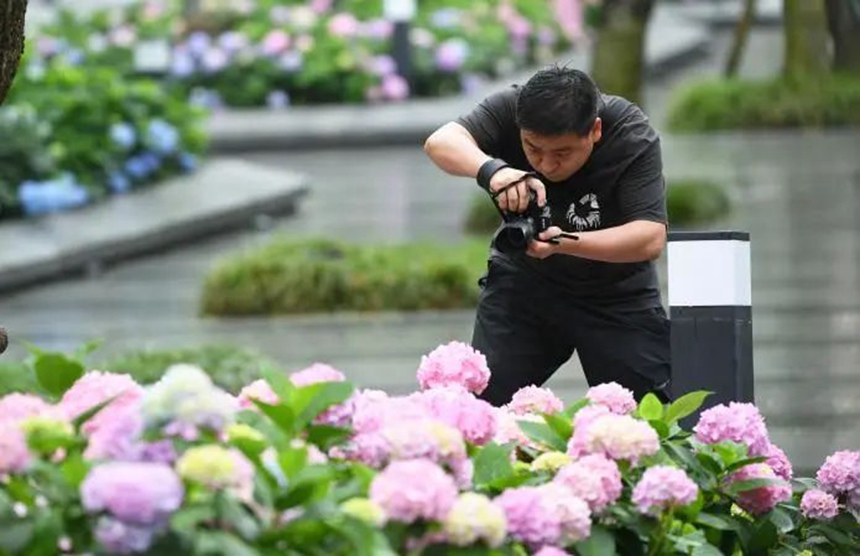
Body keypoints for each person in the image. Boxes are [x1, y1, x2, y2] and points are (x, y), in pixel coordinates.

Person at [423, 65, 672, 406]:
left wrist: (563, 243)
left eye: (562, 153)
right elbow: (439, 142)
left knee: (649, 415)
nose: (546, 165)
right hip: (524, 286)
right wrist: (493, 171)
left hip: (616, 294)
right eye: (533, 148)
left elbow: (650, 237)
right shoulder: (513, 106)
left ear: (595, 130)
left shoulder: (630, 133)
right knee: (481, 404)